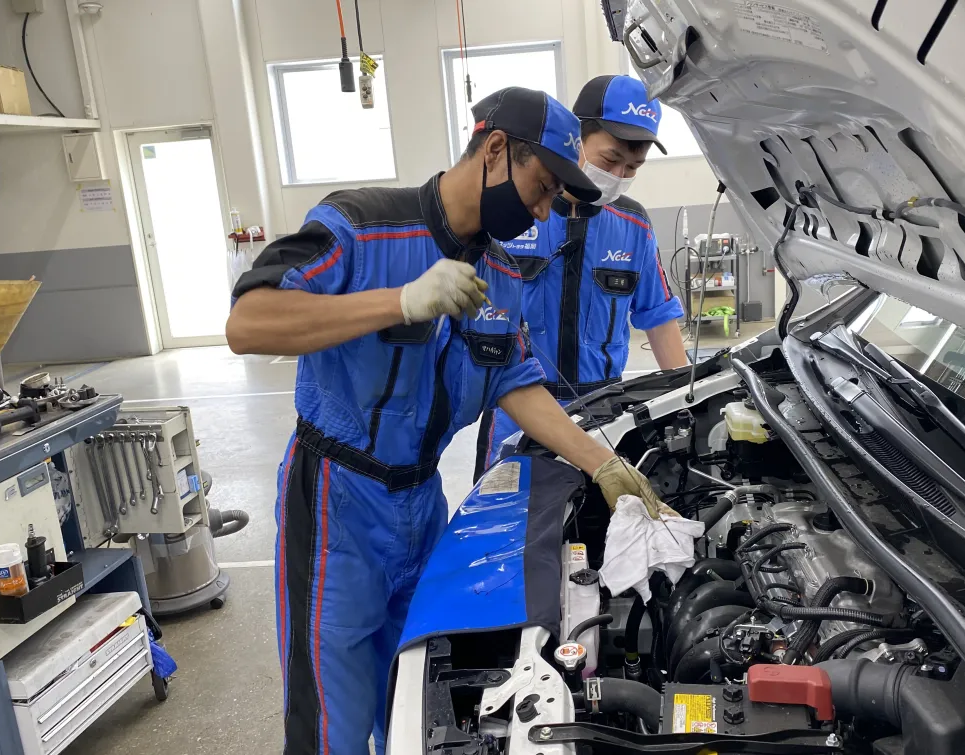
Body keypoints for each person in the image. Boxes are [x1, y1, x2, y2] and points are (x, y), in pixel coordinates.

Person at [224, 87, 666, 755]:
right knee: (331, 727)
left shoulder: (501, 269)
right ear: (494, 151)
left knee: (418, 704)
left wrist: (597, 460)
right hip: (337, 504)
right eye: (541, 186)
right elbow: (247, 322)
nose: (545, 209)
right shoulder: (362, 224)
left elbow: (515, 379)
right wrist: (398, 300)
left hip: (423, 505)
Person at [475, 75, 689, 478]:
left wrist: (682, 401)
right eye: (610, 161)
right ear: (577, 138)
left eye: (633, 167)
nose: (620, 174)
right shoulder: (516, 211)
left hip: (604, 411)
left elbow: (658, 318)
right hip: (517, 405)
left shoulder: (634, 225)